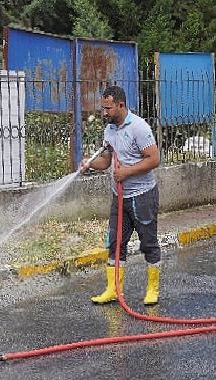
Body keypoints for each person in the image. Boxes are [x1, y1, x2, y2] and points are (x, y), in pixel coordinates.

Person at [80, 85, 162, 305]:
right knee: (115, 242)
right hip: (119, 197)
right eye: (103, 108)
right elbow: (106, 160)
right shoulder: (110, 130)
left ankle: (152, 289)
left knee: (148, 242)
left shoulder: (139, 128)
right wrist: (89, 164)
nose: (104, 112)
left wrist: (126, 171)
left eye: (108, 108)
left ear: (121, 105)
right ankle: (113, 289)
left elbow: (154, 159)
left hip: (142, 196)